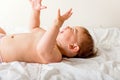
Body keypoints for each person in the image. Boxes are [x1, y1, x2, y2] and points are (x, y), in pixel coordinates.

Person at [0, 0, 94, 64]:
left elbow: (41, 49)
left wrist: (56, 25)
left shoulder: (55, 55)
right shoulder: (46, 35)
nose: (68, 26)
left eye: (73, 30)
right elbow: (34, 28)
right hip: (3, 37)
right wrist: (35, 11)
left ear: (73, 47)